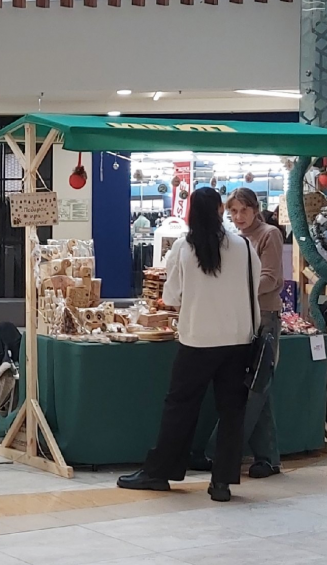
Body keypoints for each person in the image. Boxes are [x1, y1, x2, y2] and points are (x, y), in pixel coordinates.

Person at [118, 186, 259, 503]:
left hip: (198, 340)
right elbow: (254, 287)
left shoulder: (184, 247)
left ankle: (159, 472)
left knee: (180, 407)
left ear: (191, 213)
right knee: (232, 412)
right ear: (222, 211)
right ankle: (222, 482)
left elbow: (171, 297)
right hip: (239, 340)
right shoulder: (244, 246)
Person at [192, 187, 286, 480]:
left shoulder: (269, 235)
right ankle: (268, 458)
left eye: (244, 210)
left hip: (265, 317)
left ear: (256, 209)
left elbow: (271, 278)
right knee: (259, 385)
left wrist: (235, 291)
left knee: (254, 389)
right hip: (243, 317)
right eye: (233, 211)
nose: (238, 216)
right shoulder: (234, 240)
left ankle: (218, 452)